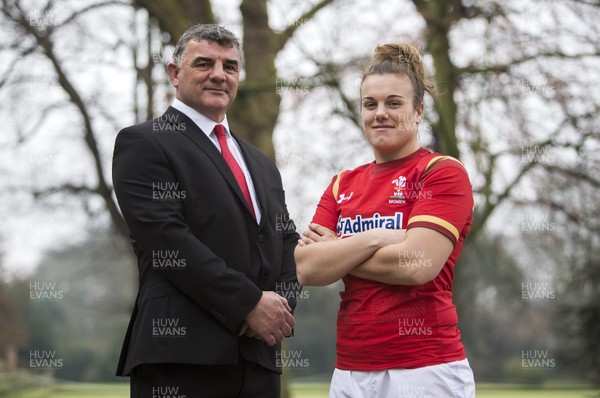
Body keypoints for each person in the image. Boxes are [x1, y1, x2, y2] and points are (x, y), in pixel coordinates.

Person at [112, 24, 300, 398]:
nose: (219, 74)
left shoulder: (261, 164)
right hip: (182, 361)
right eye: (204, 63)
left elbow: (286, 240)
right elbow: (168, 240)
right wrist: (248, 304)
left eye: (230, 66)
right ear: (174, 73)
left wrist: (277, 309)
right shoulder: (144, 143)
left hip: (259, 360)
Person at [295, 43, 476, 397]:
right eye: (370, 104)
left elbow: (416, 265)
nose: (380, 113)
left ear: (419, 110)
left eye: (394, 103)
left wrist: (338, 252)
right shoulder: (341, 184)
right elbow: (307, 268)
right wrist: (376, 238)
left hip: (426, 368)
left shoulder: (440, 172)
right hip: (350, 370)